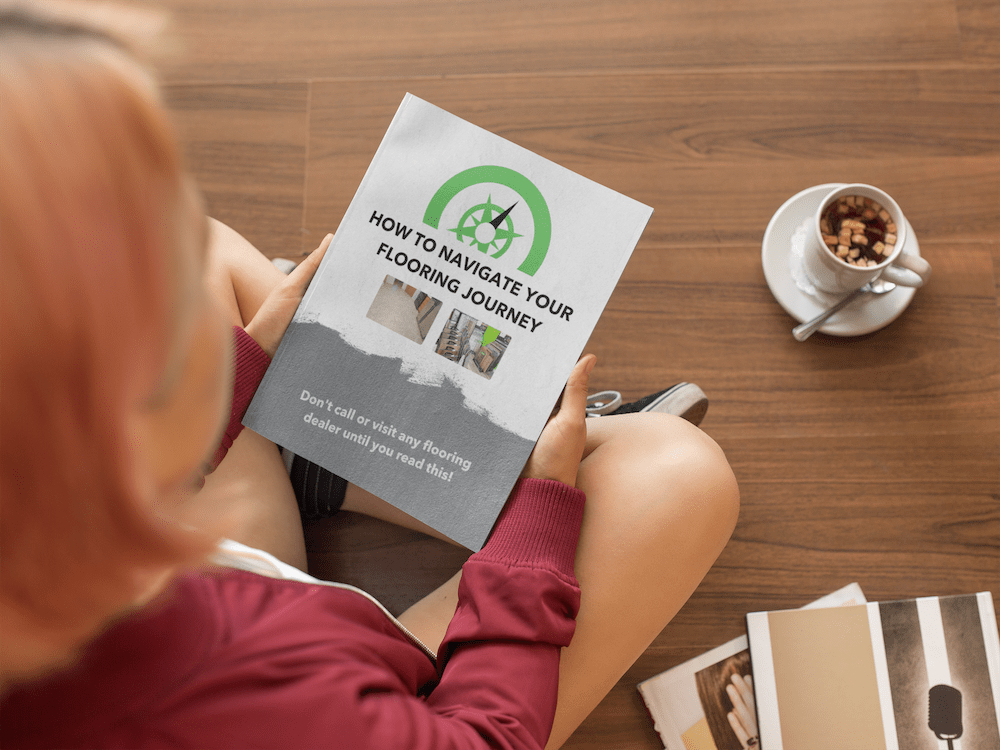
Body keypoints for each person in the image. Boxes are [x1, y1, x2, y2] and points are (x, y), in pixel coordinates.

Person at [0, 3, 740, 748]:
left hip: (188, 575)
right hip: (370, 687)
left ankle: (323, 447)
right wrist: (534, 545)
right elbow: (487, 737)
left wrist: (215, 404)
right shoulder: (272, 692)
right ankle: (518, 461)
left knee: (198, 266)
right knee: (678, 474)